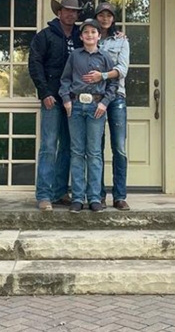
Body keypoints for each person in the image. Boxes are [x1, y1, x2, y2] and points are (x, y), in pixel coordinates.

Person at [28, 0, 82, 211]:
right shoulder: (45, 36)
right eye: (67, 10)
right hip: (52, 98)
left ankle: (60, 191)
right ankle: (44, 195)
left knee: (68, 147)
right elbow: (34, 64)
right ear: (59, 12)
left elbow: (98, 43)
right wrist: (44, 92)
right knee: (49, 146)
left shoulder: (81, 36)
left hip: (73, 99)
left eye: (74, 11)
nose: (70, 14)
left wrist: (117, 33)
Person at [60, 18, 118, 213]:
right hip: (76, 107)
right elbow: (65, 80)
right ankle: (77, 197)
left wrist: (104, 102)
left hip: (96, 107)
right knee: (77, 152)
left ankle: (94, 197)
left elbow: (113, 84)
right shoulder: (75, 56)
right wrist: (66, 99)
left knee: (93, 153)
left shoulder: (105, 57)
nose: (90, 35)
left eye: (94, 32)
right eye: (86, 32)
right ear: (82, 36)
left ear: (99, 36)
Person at [82, 2, 131, 211]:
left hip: (116, 97)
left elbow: (122, 69)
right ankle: (98, 194)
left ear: (113, 19)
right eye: (101, 15)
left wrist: (102, 75)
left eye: (109, 16)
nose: (105, 19)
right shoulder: (92, 38)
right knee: (96, 148)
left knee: (119, 148)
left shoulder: (121, 41)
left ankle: (119, 196)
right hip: (95, 98)